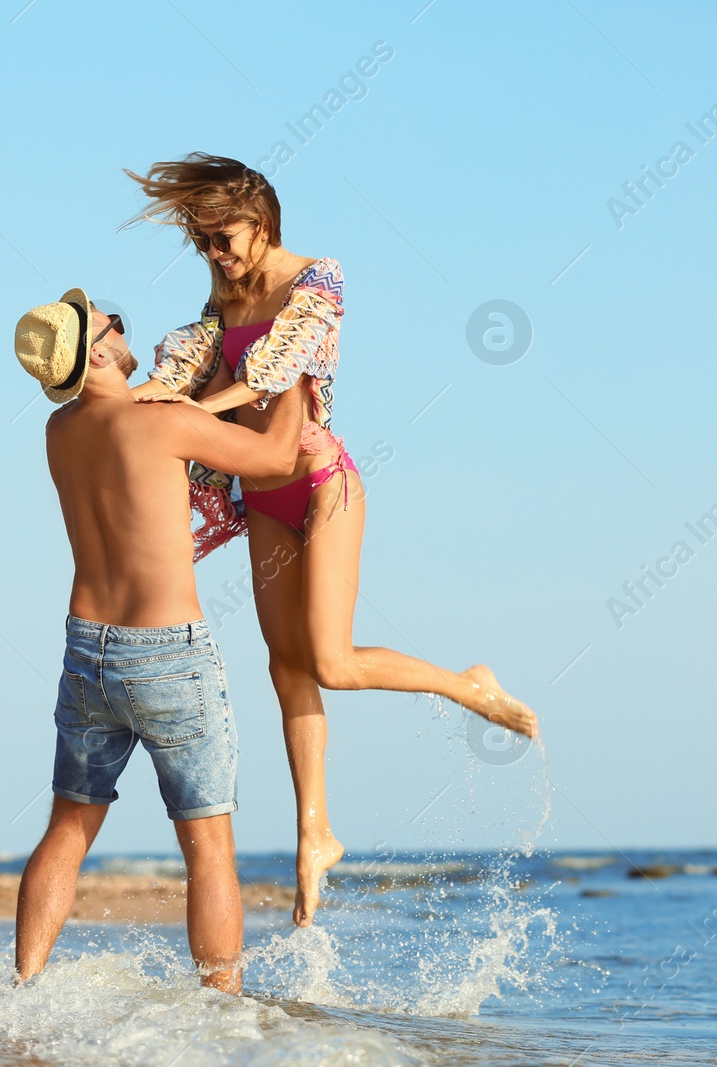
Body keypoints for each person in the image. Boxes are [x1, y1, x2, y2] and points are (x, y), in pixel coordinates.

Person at [127, 155, 539, 927]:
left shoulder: (318, 278)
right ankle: (314, 831)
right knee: (286, 667)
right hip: (263, 492)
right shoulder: (226, 289)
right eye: (204, 243)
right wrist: (160, 386)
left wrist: (188, 409)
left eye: (225, 239)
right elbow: (198, 354)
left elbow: (275, 369)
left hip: (321, 483)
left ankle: (468, 683)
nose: (216, 256)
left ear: (264, 222)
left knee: (332, 661)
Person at [10, 286, 302, 992]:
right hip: (167, 650)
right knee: (208, 848)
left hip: (89, 652)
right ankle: (222, 1015)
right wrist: (294, 369)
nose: (121, 323)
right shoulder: (162, 422)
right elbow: (276, 456)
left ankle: (23, 989)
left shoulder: (59, 433)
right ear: (102, 350)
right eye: (116, 322)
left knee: (68, 829)